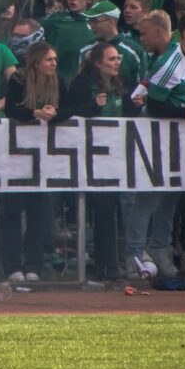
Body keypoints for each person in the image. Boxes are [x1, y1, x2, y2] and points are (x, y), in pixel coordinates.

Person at [131, 10, 185, 278]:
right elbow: (154, 104)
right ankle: (134, 254)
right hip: (158, 140)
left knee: (171, 196)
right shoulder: (171, 62)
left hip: (178, 142)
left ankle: (159, 247)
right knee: (149, 196)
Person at [70, 40, 136, 281]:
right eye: (111, 59)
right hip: (90, 157)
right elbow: (70, 111)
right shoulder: (83, 83)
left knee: (112, 209)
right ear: (97, 63)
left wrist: (135, 105)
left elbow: (129, 114)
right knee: (101, 209)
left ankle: (112, 264)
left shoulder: (124, 83)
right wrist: (91, 106)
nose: (116, 63)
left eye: (118, 58)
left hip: (117, 156)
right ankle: (101, 264)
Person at [0, 42, 62, 281]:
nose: (53, 64)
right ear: (36, 62)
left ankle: (34, 265)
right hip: (15, 154)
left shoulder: (58, 82)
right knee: (13, 211)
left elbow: (68, 108)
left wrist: (55, 113)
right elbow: (10, 110)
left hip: (43, 157)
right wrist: (35, 113)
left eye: (55, 59)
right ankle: (12, 266)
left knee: (38, 211)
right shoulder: (18, 81)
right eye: (49, 60)